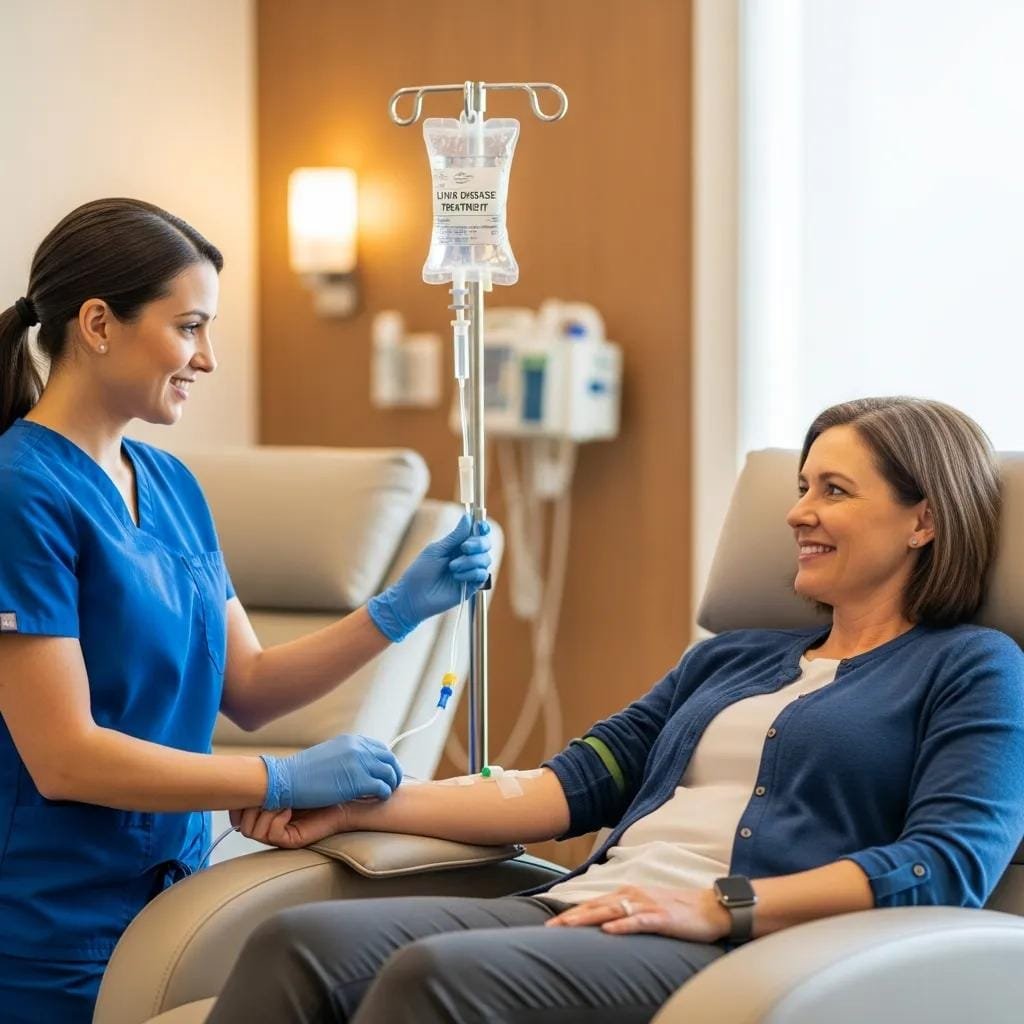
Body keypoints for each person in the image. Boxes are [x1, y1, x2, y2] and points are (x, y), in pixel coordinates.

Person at [208, 396, 1024, 1024]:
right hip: (593, 901)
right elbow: (571, 785)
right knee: (297, 943)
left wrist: (716, 906)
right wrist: (357, 807)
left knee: (437, 979)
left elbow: (945, 863)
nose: (797, 512)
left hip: (740, 942)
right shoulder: (731, 655)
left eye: (834, 491)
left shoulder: (969, 665)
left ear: (924, 519)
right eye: (802, 485)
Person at [0, 197, 492, 1023]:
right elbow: (66, 759)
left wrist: (401, 607)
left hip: (176, 903)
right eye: (189, 327)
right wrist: (280, 777)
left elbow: (252, 685)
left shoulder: (171, 484)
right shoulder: (20, 492)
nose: (208, 358)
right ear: (96, 323)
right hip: (50, 923)